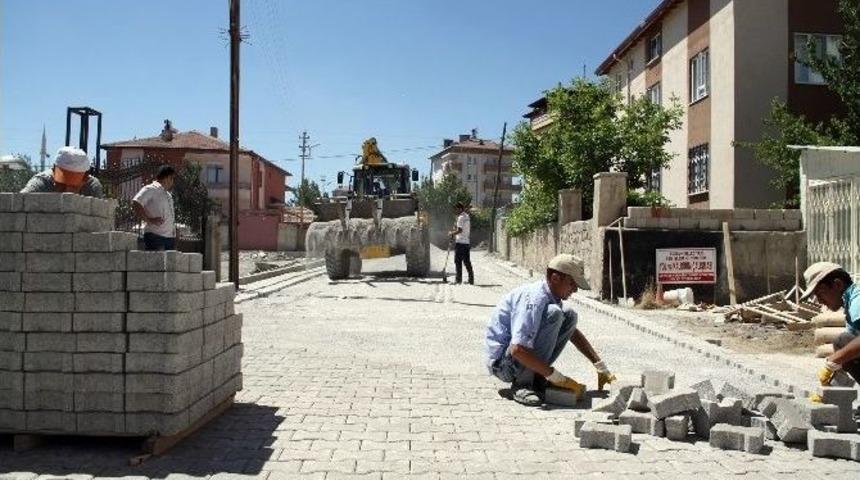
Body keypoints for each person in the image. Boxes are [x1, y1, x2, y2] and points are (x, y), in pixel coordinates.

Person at [485, 254, 616, 406]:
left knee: (569, 316)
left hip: (516, 357)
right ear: (555, 278)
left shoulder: (551, 296)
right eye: (572, 284)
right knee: (555, 313)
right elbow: (517, 350)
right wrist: (558, 378)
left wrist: (599, 365)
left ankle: (537, 378)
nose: (575, 290)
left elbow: (572, 333)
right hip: (503, 365)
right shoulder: (534, 300)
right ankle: (523, 384)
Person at [801, 262, 860, 386]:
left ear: (838, 284)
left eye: (820, 293)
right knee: (843, 343)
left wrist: (835, 359)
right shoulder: (850, 303)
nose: (820, 301)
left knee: (843, 344)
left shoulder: (857, 301)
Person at [20, 146, 104, 197]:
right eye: (61, 185)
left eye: (73, 186)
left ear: (85, 179)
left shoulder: (92, 187)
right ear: (53, 171)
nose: (66, 191)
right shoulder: (41, 183)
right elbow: (19, 202)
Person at [132, 165, 177, 251]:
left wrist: (174, 231)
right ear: (167, 177)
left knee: (168, 264)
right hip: (155, 237)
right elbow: (136, 202)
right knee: (156, 264)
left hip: (169, 239)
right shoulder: (151, 189)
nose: (172, 182)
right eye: (172, 178)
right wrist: (149, 220)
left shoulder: (168, 195)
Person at [449, 202, 474, 285]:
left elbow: (460, 230)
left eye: (456, 209)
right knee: (467, 262)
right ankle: (471, 280)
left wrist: (452, 233)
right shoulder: (467, 216)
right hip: (466, 242)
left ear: (459, 209)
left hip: (460, 243)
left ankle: (458, 280)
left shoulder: (460, 218)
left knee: (458, 261)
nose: (455, 211)